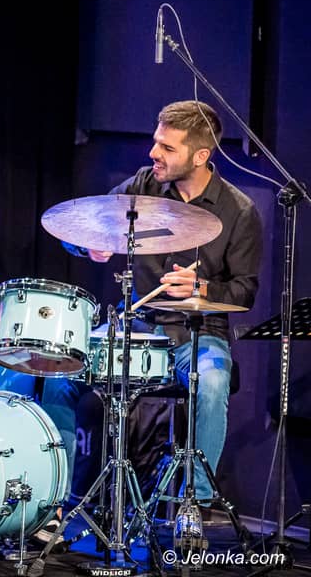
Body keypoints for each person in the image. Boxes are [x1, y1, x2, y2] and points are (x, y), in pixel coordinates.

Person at [38, 100, 262, 538]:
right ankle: (53, 503)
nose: (153, 153)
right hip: (137, 326)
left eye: (167, 147)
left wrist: (203, 290)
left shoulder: (238, 211)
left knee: (212, 381)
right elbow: (78, 226)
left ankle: (194, 505)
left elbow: (245, 291)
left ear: (201, 155)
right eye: (156, 142)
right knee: (60, 369)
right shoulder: (144, 185)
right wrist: (89, 246)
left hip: (197, 333)